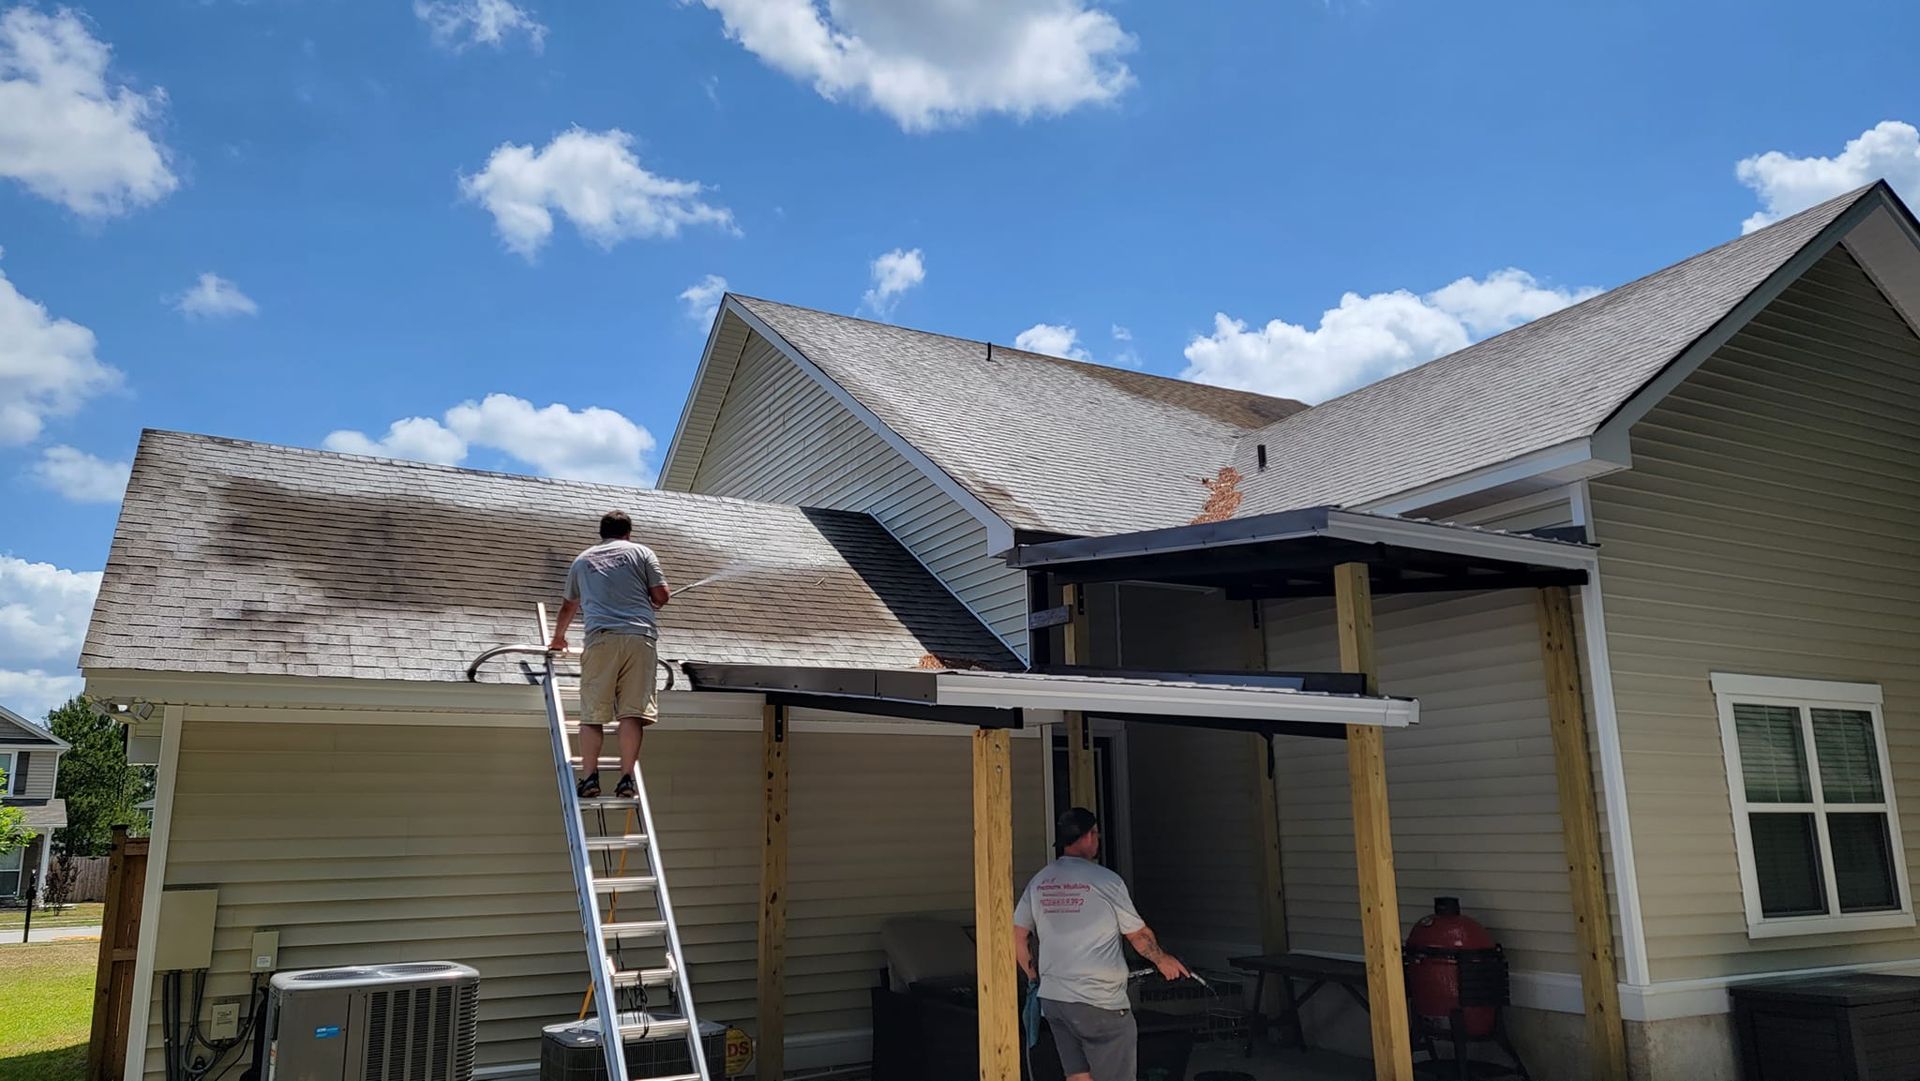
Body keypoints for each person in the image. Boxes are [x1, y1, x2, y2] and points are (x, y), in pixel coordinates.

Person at [1013, 807, 1191, 1081]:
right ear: (1086, 837)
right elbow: (1138, 936)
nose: (1097, 840)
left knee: (1078, 1076)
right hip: (1099, 1003)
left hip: (1055, 1000)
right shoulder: (1106, 880)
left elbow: (1018, 935)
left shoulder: (1040, 882)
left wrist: (1033, 976)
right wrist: (1162, 959)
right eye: (1095, 834)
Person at [548, 510, 670, 800]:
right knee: (632, 713)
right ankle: (626, 779)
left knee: (592, 714)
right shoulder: (641, 552)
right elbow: (662, 596)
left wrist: (558, 638)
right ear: (628, 532)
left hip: (601, 640)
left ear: (601, 532)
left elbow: (569, 606)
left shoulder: (582, 560)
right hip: (640, 639)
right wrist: (652, 600)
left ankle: (589, 778)